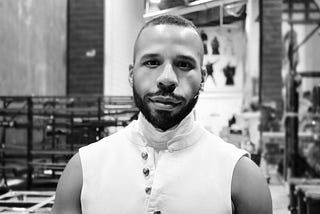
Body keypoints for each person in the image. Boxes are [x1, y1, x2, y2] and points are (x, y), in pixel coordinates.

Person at [52, 15, 272, 214]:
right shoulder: (83, 171)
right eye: (152, 63)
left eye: (184, 65)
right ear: (131, 74)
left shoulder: (241, 177)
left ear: (203, 77)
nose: (167, 79)